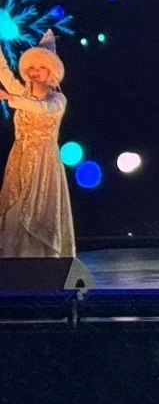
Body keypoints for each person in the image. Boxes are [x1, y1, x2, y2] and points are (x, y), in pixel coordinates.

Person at [0, 32, 73, 259]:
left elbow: (42, 108)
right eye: (32, 67)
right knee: (15, 207)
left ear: (50, 72)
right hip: (20, 157)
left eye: (41, 68)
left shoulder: (57, 100)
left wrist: (10, 98)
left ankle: (42, 258)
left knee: (40, 210)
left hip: (44, 161)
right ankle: (15, 257)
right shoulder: (22, 92)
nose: (35, 72)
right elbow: (4, 72)